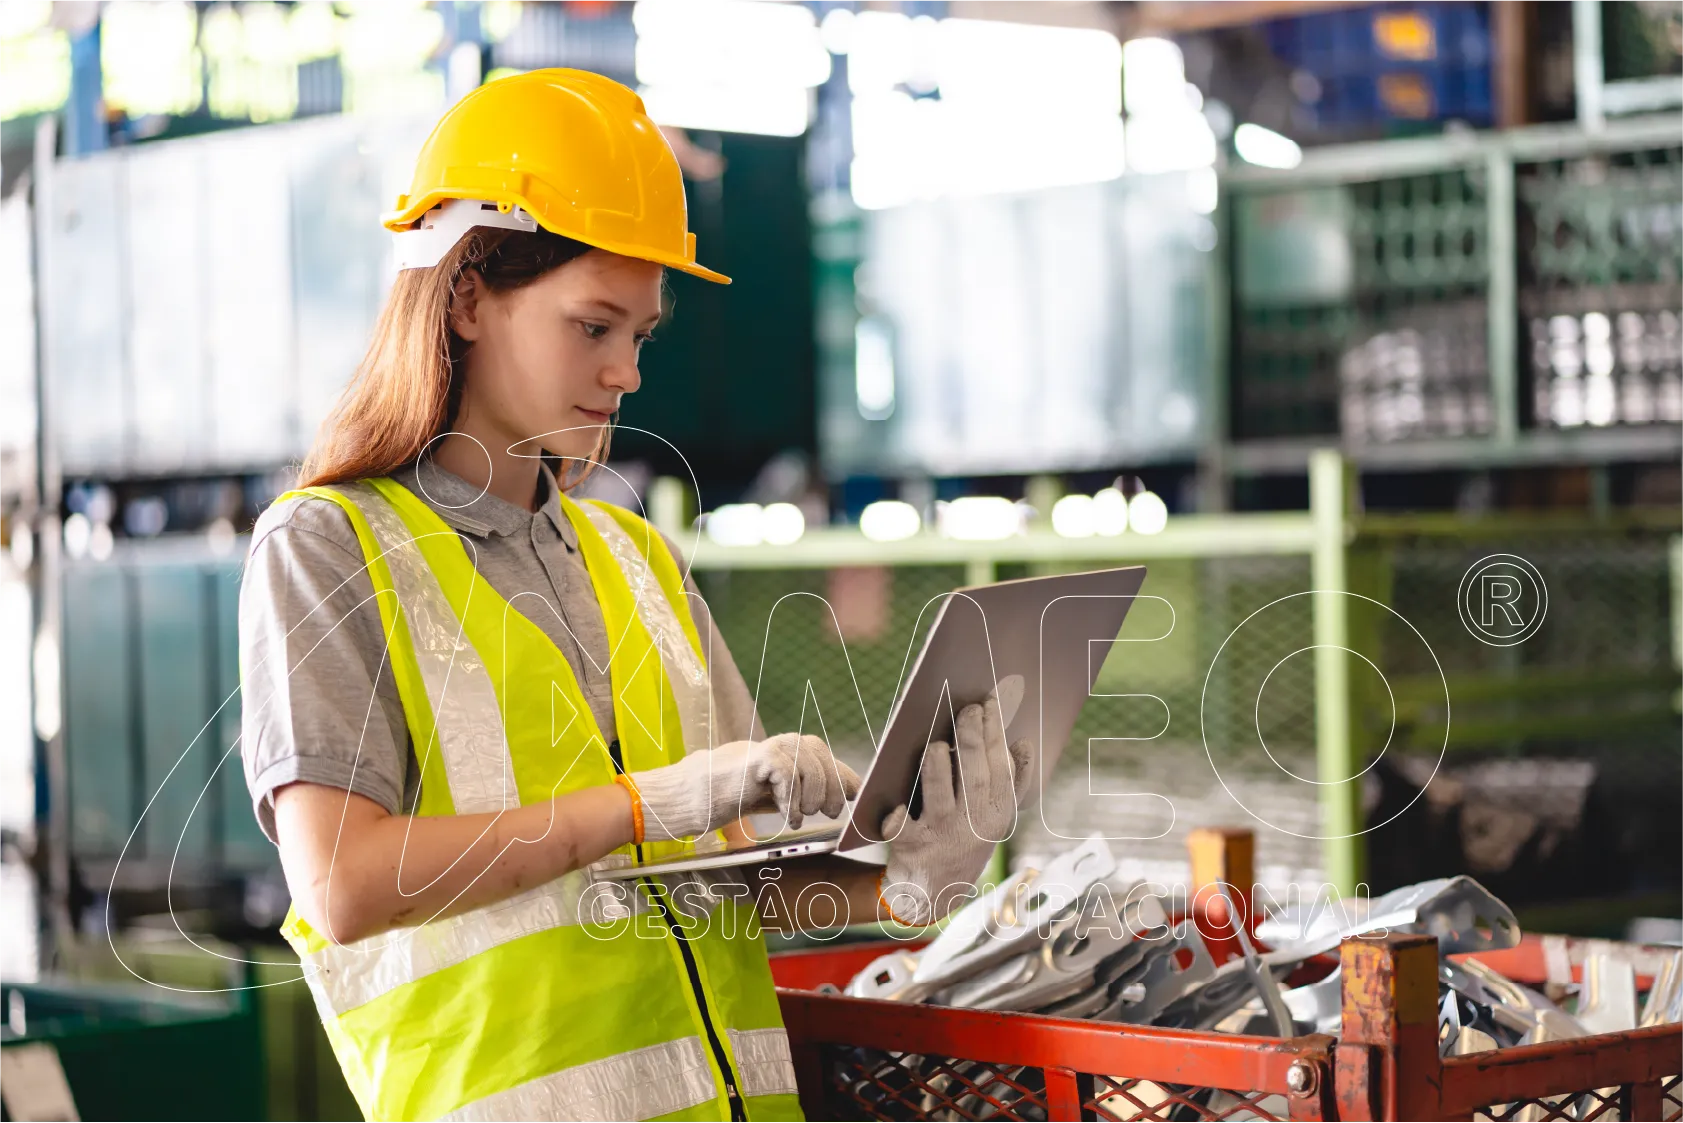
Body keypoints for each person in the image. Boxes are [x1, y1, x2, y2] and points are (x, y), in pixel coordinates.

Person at [240, 69, 1032, 1123]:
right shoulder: (329, 547)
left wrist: (907, 883)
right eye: (593, 326)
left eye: (642, 335)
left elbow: (732, 886)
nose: (627, 373)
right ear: (467, 294)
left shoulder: (636, 557)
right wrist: (653, 802)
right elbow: (341, 882)